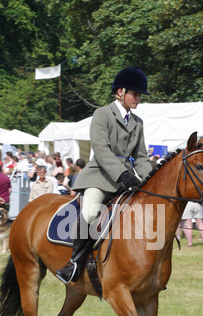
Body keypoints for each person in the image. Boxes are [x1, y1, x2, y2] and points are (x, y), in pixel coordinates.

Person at [56, 66, 152, 283]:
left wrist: (150, 180)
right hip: (100, 178)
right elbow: (101, 150)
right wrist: (122, 175)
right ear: (120, 92)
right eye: (135, 94)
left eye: (139, 95)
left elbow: (142, 157)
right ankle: (73, 263)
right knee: (90, 213)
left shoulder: (138, 122)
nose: (138, 99)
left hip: (126, 181)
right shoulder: (102, 114)